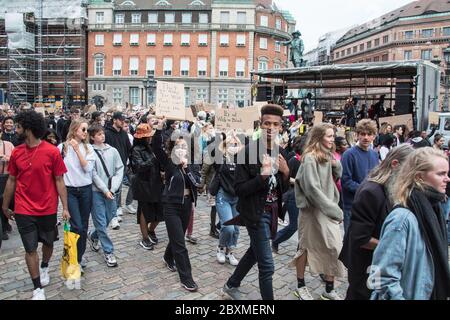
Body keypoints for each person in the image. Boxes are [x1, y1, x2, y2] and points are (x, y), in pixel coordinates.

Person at [222, 104, 290, 301]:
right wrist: (261, 177)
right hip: (255, 214)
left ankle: (231, 284)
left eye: (275, 124)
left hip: (272, 213)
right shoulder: (247, 152)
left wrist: (286, 173)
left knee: (254, 252)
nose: (271, 127)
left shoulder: (279, 152)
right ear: (260, 125)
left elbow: (281, 190)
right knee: (267, 265)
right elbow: (239, 190)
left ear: (280, 127)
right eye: (267, 123)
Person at [2, 110, 69, 300]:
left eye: (18, 126)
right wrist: (5, 206)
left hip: (47, 207)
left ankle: (45, 265)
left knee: (48, 243)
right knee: (30, 248)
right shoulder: (17, 152)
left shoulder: (51, 152)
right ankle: (37, 287)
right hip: (23, 209)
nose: (15, 129)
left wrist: (64, 207)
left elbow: (59, 180)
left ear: (28, 128)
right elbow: (12, 180)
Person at [367, 147, 450, 300]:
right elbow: (382, 277)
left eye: (447, 173)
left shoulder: (434, 210)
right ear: (419, 177)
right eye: (441, 174)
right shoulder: (402, 219)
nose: (447, 179)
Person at [339, 144, 413, 300]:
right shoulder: (371, 192)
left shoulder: (389, 187)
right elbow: (361, 238)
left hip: (375, 261)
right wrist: (397, 247)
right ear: (395, 164)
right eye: (409, 172)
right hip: (365, 263)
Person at [291, 123, 344, 301]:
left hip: (327, 209)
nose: (332, 139)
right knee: (305, 248)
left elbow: (332, 180)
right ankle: (301, 286)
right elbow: (312, 189)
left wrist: (336, 165)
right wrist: (334, 210)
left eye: (333, 136)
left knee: (334, 247)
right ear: (319, 137)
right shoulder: (310, 158)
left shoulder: (328, 156)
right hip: (312, 211)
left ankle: (328, 289)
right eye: (329, 136)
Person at [153, 118, 201, 292]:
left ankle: (167, 257)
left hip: (187, 204)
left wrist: (187, 168)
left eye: (184, 147)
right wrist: (159, 129)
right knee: (180, 244)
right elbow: (156, 148)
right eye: (178, 147)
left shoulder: (192, 164)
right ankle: (186, 278)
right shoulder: (169, 162)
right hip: (171, 205)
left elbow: (197, 183)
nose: (182, 150)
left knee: (177, 236)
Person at [58, 119, 95, 273]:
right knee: (77, 226)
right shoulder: (62, 148)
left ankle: (78, 258)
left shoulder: (88, 148)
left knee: (84, 226)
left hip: (86, 190)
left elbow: (87, 169)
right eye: (83, 129)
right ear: (74, 130)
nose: (86, 133)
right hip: (70, 191)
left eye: (86, 130)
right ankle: (73, 259)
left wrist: (78, 150)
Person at [87, 124, 123, 267]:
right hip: (96, 191)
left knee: (110, 215)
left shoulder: (112, 151)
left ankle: (93, 235)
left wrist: (113, 188)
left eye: (102, 133)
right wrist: (104, 189)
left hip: (112, 190)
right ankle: (109, 251)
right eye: (98, 134)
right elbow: (93, 173)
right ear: (92, 137)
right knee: (100, 221)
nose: (102, 136)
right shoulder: (90, 151)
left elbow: (119, 169)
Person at [210, 132, 243, 266]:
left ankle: (230, 251)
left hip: (237, 198)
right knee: (228, 227)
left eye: (235, 144)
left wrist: (239, 141)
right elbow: (212, 150)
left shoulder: (240, 160)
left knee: (235, 229)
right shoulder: (221, 160)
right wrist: (223, 135)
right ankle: (221, 247)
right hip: (223, 196)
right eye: (230, 144)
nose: (233, 146)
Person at [341, 120, 379, 233]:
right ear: (357, 135)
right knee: (350, 240)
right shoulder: (349, 154)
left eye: (369, 134)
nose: (366, 137)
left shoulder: (374, 154)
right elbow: (346, 181)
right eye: (362, 134)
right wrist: (367, 190)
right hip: (352, 205)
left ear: (374, 136)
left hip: (368, 205)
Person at [130, 123, 164, 250]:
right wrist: (153, 160)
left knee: (160, 210)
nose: (150, 138)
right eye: (148, 136)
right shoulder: (136, 150)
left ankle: (151, 230)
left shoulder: (152, 148)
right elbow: (139, 167)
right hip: (143, 184)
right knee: (144, 211)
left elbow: (159, 164)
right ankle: (144, 238)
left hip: (156, 183)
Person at [272, 136, 306, 254]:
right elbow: (285, 177)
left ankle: (300, 252)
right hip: (293, 196)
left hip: (306, 197)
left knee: (305, 227)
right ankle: (276, 240)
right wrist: (298, 181)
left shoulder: (308, 161)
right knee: (294, 226)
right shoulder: (293, 160)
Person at [104, 112, 132, 229]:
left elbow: (128, 149)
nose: (122, 122)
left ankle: (115, 211)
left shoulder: (124, 134)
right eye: (120, 119)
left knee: (118, 190)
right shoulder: (107, 133)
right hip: (109, 167)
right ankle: (113, 215)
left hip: (122, 166)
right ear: (114, 120)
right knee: (111, 190)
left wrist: (129, 162)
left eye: (123, 119)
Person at [0, 132, 14, 241]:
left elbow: (15, 158)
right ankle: (3, 228)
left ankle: (6, 223)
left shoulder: (8, 144)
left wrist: (6, 157)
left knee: (6, 200)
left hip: (7, 176)